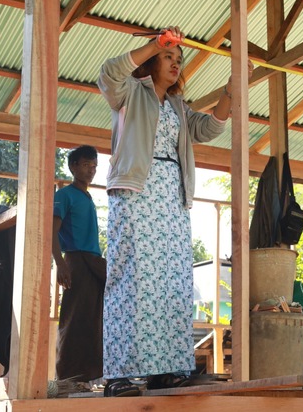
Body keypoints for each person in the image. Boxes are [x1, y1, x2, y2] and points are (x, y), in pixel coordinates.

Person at [97, 26, 253, 397]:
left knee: (170, 282)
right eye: (168, 56)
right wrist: (155, 43)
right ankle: (119, 374)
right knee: (132, 278)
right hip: (137, 191)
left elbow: (209, 128)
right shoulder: (130, 91)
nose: (175, 63)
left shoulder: (178, 107)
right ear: (151, 60)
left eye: (178, 58)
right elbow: (108, 74)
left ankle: (164, 371)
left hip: (172, 199)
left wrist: (231, 92)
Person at [52, 145, 106, 385]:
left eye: (94, 166)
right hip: (76, 260)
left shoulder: (88, 196)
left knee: (93, 319)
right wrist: (60, 263)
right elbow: (52, 231)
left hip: (94, 262)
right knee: (73, 319)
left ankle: (90, 376)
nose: (91, 170)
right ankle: (67, 377)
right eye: (86, 165)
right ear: (73, 166)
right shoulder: (65, 195)